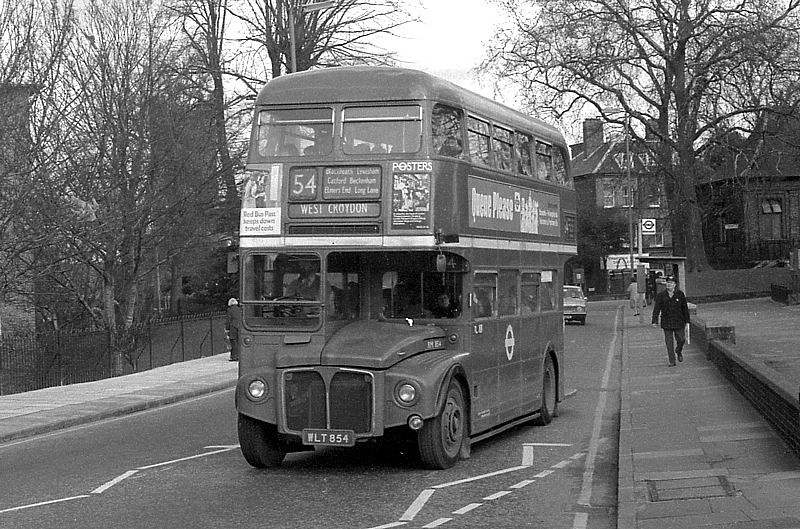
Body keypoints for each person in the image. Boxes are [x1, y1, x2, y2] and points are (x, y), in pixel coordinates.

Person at [651, 276, 691, 366]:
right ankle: (672, 361)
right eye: (668, 282)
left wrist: (687, 321)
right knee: (669, 343)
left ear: (675, 285)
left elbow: (684, 308)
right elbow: (657, 308)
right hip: (667, 322)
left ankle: (678, 351)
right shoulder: (661, 295)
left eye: (672, 283)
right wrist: (654, 320)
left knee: (681, 339)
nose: (669, 284)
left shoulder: (680, 294)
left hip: (679, 321)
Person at [225, 298, 242, 362]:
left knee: (233, 342)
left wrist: (227, 329)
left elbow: (228, 320)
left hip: (233, 327)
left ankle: (234, 356)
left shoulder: (229, 310)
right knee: (239, 341)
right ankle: (240, 356)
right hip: (240, 327)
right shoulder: (239, 309)